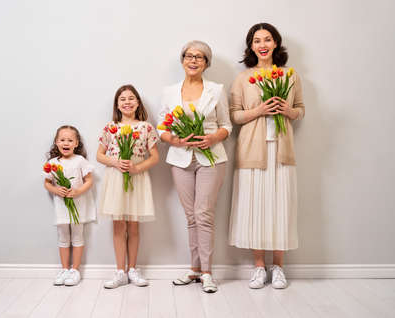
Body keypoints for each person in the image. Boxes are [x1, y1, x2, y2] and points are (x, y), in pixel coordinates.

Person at [228, 23, 305, 289]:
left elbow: (300, 110)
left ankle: (279, 268)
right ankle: (259, 267)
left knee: (280, 207)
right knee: (255, 208)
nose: (262, 45)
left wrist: (288, 110)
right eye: (257, 40)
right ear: (251, 46)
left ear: (275, 44)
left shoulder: (290, 76)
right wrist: (259, 110)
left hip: (282, 152)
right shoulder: (242, 78)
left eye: (267, 39)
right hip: (252, 152)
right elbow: (235, 115)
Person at [158, 40, 232, 293]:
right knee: (191, 216)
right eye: (189, 56)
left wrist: (213, 138)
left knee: (204, 214)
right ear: (182, 60)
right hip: (180, 159)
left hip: (211, 158)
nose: (193, 60)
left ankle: (208, 272)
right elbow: (161, 127)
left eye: (200, 57)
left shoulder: (217, 90)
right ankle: (194, 270)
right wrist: (175, 140)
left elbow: (227, 125)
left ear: (206, 63)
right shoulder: (169, 91)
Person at [97, 84, 159, 289]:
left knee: (133, 225)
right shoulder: (110, 128)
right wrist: (115, 162)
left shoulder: (146, 127)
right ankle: (120, 272)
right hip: (116, 179)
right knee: (118, 225)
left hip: (137, 179)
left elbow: (155, 157)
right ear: (117, 104)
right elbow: (100, 155)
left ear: (138, 102)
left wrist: (137, 168)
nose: (127, 102)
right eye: (122, 99)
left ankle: (132, 269)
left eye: (131, 98)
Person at [44, 125, 97, 286]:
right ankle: (65, 269)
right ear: (56, 142)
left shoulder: (80, 161)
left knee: (77, 236)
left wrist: (78, 191)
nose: (65, 143)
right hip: (61, 205)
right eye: (62, 140)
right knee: (63, 237)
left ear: (76, 143)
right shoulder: (52, 163)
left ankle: (75, 270)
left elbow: (89, 181)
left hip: (78, 205)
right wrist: (56, 190)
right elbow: (47, 183)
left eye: (69, 140)